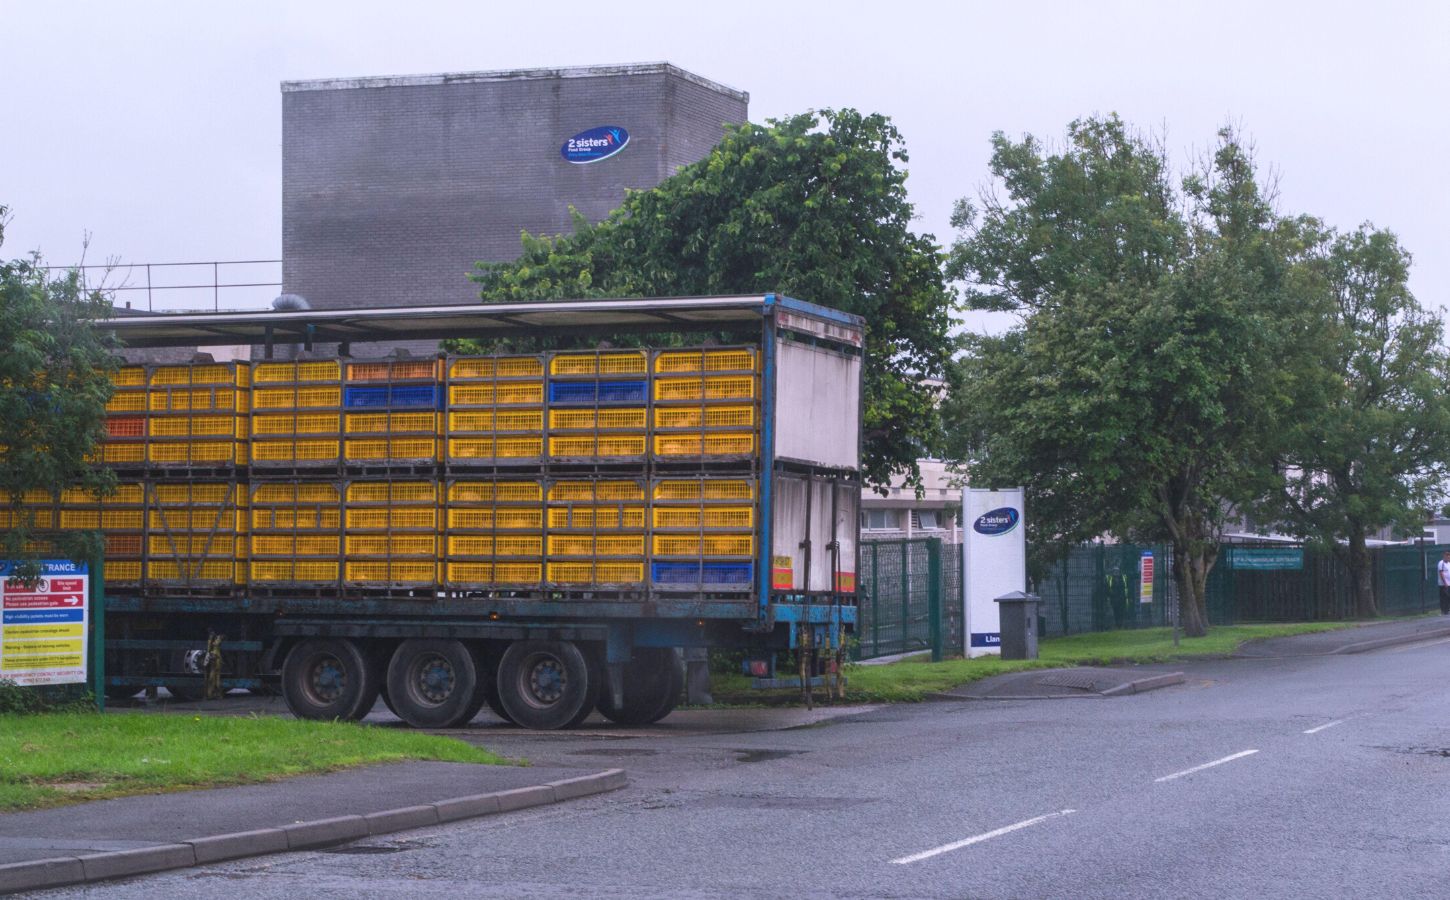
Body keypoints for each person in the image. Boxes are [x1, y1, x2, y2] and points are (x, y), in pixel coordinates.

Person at [1438, 551, 1450, 616]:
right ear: (1444, 556)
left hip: (1449, 584)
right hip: (1443, 584)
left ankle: (1447, 610)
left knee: (1448, 597)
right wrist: (1445, 583)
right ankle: (1443, 611)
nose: (1448, 557)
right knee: (1444, 597)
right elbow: (1441, 573)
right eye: (1447, 556)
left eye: (1449, 556)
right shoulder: (1441, 563)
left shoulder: (1449, 563)